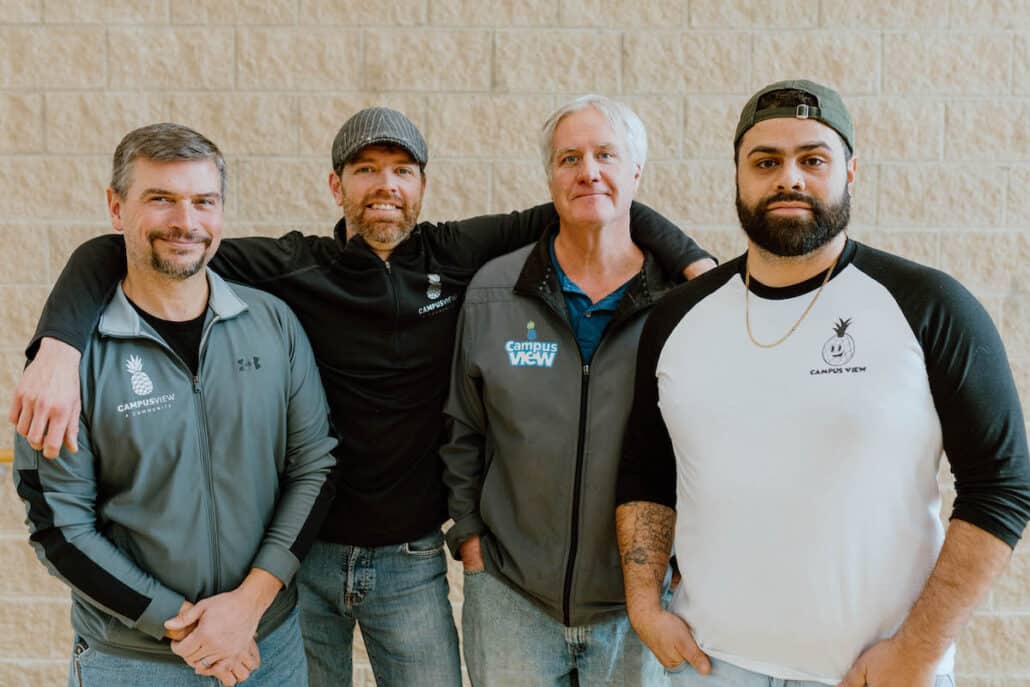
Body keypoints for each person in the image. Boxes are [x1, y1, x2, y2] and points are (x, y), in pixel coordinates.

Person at [10, 107, 712, 687]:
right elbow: (133, 247)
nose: (385, 185)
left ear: (423, 185)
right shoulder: (292, 266)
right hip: (304, 559)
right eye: (365, 169)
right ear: (335, 184)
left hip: (410, 559)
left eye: (402, 170)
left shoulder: (454, 254)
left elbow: (594, 201)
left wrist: (695, 263)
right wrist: (61, 343)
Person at [616, 79, 1030, 687]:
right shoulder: (678, 318)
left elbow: (1002, 485)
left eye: (812, 160)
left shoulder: (929, 306)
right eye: (766, 162)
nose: (789, 178)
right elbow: (645, 473)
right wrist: (644, 606)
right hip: (711, 666)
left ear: (850, 172)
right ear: (738, 175)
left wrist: (916, 652)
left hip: (873, 673)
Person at [12, 123, 338, 687]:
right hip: (131, 663)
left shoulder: (273, 323)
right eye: (160, 199)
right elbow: (58, 524)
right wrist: (185, 626)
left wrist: (248, 605)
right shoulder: (68, 363)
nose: (185, 222)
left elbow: (315, 465)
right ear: (116, 209)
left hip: (269, 647)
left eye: (203, 201)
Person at [442, 95, 713, 687]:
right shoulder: (495, 292)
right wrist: (470, 541)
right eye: (570, 158)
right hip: (512, 596)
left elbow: (712, 444)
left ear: (635, 173)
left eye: (605, 155)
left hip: (640, 607)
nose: (588, 171)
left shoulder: (683, 305)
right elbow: (463, 429)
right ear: (550, 179)